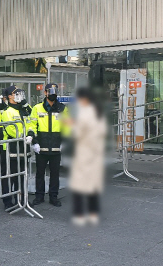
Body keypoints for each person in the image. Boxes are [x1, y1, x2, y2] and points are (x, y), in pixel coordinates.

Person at [70, 88, 107, 226]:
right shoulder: (98, 112)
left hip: (84, 152)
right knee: (93, 184)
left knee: (79, 185)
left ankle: (79, 214)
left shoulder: (84, 113)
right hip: (96, 153)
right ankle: (93, 213)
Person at [27, 83, 69, 207]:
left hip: (56, 145)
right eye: (50, 91)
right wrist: (34, 142)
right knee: (40, 173)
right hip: (41, 146)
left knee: (55, 173)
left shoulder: (62, 108)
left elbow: (67, 126)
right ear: (45, 93)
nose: (53, 94)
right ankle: (39, 196)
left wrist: (66, 141)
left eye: (55, 91)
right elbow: (32, 125)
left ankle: (53, 197)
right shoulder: (37, 108)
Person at [0, 85, 33, 211]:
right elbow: (11, 130)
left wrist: (30, 133)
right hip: (10, 148)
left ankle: (22, 199)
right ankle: (8, 201)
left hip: (22, 146)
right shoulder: (8, 112)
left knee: (21, 174)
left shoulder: (22, 110)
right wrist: (25, 135)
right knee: (9, 176)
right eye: (16, 93)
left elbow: (30, 122)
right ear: (10, 97)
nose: (19, 95)